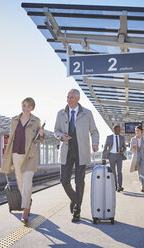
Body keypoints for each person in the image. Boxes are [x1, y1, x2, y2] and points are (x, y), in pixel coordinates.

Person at [54, 89, 99, 223]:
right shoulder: (60, 113)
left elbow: (94, 131)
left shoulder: (87, 113)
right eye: (68, 97)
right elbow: (56, 130)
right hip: (66, 152)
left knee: (79, 182)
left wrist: (95, 143)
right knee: (64, 181)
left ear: (78, 98)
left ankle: (77, 211)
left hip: (81, 152)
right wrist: (61, 136)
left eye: (72, 97)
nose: (69, 99)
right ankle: (75, 199)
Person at [1, 97, 44, 223]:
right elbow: (12, 137)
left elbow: (38, 139)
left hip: (30, 155)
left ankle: (25, 211)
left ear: (32, 108)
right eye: (24, 105)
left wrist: (41, 134)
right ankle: (27, 202)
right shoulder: (14, 120)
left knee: (27, 182)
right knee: (20, 183)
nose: (25, 108)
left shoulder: (36, 121)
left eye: (29, 106)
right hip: (16, 154)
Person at [102, 125, 127, 192]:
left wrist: (123, 151)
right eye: (118, 130)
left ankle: (119, 186)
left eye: (120, 130)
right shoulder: (109, 137)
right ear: (114, 130)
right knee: (113, 172)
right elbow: (105, 147)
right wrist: (103, 158)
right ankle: (114, 186)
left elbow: (124, 147)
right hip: (111, 156)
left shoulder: (122, 138)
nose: (119, 131)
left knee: (119, 172)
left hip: (119, 156)